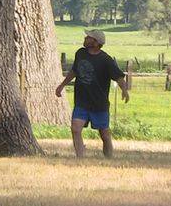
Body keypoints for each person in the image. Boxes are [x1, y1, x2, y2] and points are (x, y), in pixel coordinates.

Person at [55, 29, 130, 158]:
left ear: (95, 42)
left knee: (104, 134)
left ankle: (109, 158)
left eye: (88, 37)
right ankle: (80, 158)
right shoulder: (80, 53)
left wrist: (124, 90)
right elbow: (74, 71)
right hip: (82, 101)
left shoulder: (105, 60)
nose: (85, 39)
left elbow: (119, 78)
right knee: (75, 128)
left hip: (99, 103)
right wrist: (62, 85)